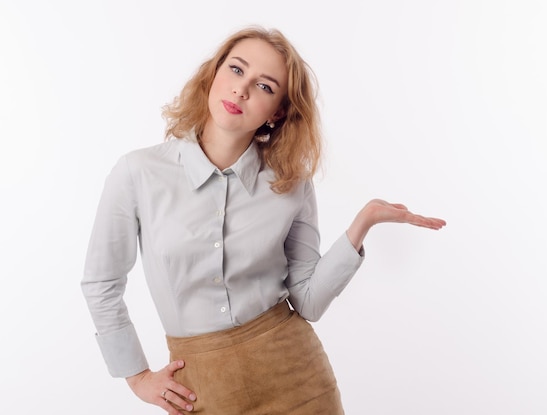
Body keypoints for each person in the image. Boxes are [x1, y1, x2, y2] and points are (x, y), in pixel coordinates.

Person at [81, 25, 446, 415]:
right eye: (236, 70)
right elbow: (101, 282)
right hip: (201, 390)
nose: (242, 90)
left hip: (299, 381)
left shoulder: (291, 185)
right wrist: (136, 376)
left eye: (265, 86)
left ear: (279, 111)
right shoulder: (138, 172)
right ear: (213, 73)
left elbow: (307, 302)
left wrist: (362, 224)